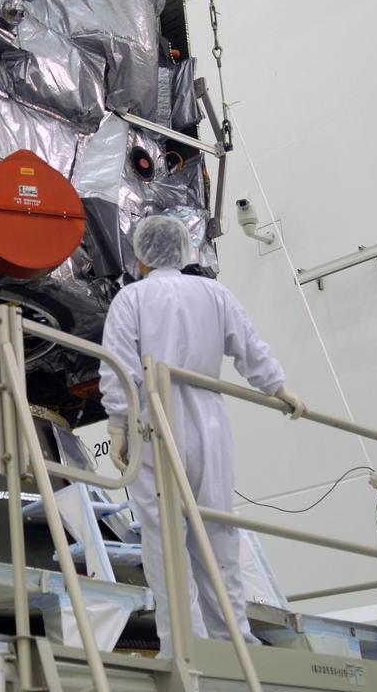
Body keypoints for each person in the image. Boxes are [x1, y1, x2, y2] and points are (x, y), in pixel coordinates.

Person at [98, 215, 306, 656]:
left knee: (164, 537)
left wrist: (118, 424)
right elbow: (250, 348)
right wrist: (279, 389)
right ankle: (234, 641)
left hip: (155, 420)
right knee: (218, 535)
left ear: (141, 257)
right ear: (185, 250)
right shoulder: (215, 293)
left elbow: (119, 367)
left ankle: (185, 645)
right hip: (210, 421)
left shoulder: (131, 298)